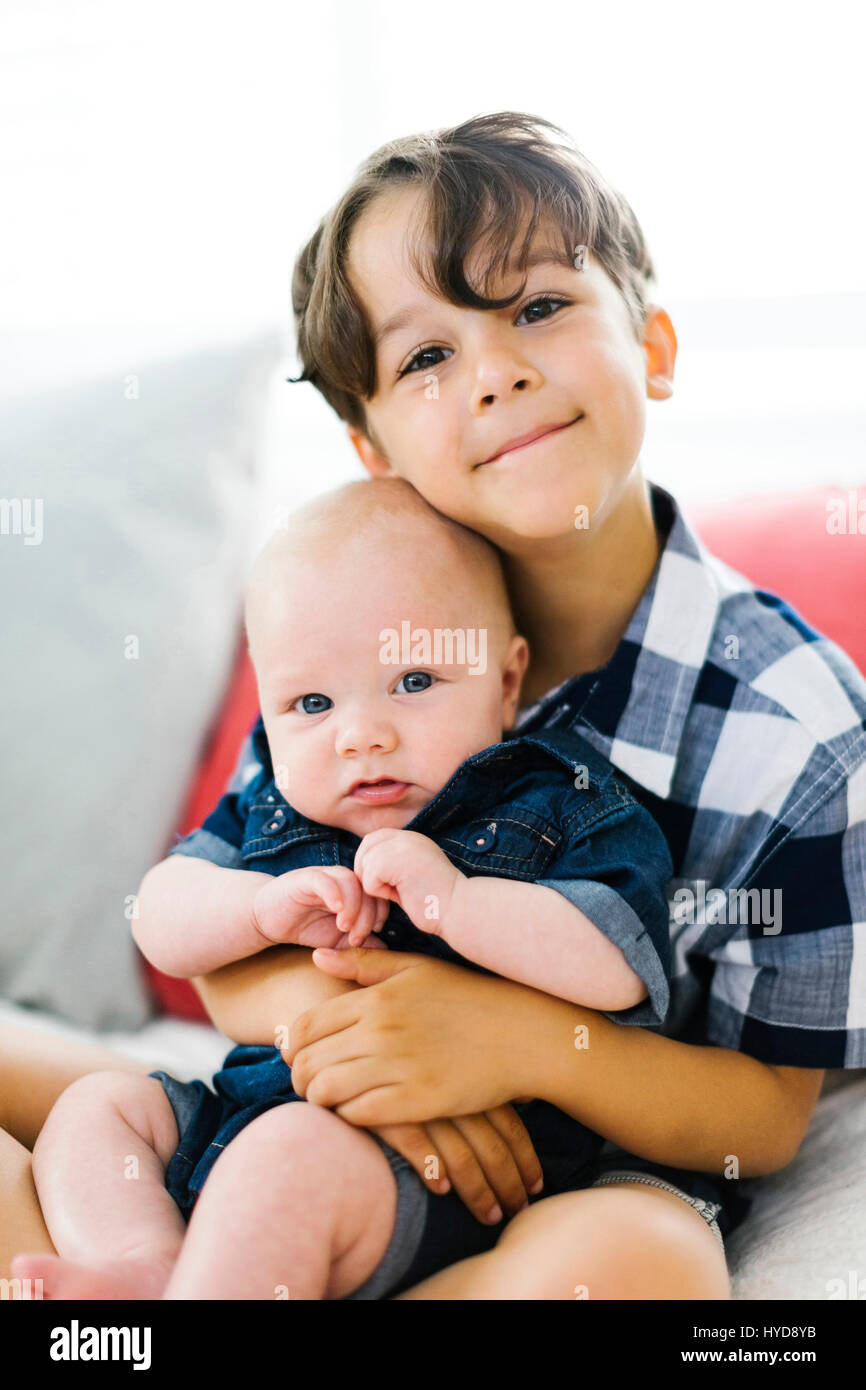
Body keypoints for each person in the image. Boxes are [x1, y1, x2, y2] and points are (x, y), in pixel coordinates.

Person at [181, 111, 862, 1299]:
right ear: (372, 449)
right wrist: (369, 1058)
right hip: (319, 1134)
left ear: (650, 345)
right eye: (425, 357)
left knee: (645, 1269)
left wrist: (510, 1045)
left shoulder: (800, 733)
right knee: (73, 1116)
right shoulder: (354, 638)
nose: (493, 369)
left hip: (587, 1178)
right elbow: (225, 935)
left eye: (536, 307)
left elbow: (764, 1114)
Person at [13, 478, 674, 1300]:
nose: (361, 735)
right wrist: (254, 909)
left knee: (283, 1160)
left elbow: (618, 962)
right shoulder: (276, 803)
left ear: (506, 684)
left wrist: (455, 905)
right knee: (98, 1109)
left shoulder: (557, 804)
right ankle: (141, 1264)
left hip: (425, 1169)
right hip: (245, 1107)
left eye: (415, 682)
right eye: (313, 702)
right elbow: (158, 917)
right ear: (268, 711)